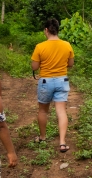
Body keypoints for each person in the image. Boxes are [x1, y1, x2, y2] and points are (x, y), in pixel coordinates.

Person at [31, 18, 74, 153]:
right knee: (61, 111)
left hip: (46, 82)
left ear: (46, 30)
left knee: (43, 110)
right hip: (62, 80)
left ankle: (43, 137)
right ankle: (62, 143)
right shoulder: (67, 45)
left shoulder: (40, 46)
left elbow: (35, 66)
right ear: (57, 30)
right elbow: (70, 64)